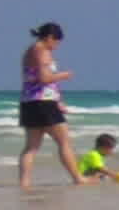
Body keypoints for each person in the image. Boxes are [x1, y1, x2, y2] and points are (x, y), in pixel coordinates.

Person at [16, 22, 79, 190]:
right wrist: (64, 75)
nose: (56, 47)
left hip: (30, 102)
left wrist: (58, 101)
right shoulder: (42, 51)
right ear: (50, 38)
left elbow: (39, 80)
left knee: (31, 147)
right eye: (56, 42)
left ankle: (24, 184)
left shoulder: (31, 51)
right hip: (43, 103)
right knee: (64, 141)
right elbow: (45, 78)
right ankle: (78, 178)